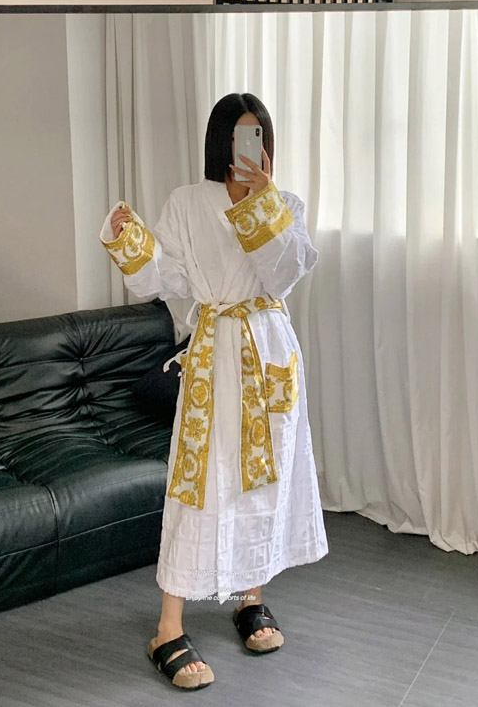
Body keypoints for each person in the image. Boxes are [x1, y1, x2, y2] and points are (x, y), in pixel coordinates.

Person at [99, 92, 329, 690]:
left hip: (269, 352)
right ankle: (168, 628)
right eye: (238, 136)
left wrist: (261, 203)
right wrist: (130, 239)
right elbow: (165, 278)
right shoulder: (187, 202)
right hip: (214, 356)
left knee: (263, 480)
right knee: (198, 485)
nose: (248, 148)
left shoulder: (286, 204)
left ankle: (251, 598)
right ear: (219, 140)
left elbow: (286, 272)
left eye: (258, 137)